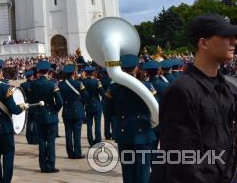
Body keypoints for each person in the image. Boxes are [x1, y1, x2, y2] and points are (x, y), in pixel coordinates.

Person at [151, 14, 237, 183]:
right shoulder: (182, 91)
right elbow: (183, 163)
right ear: (203, 42)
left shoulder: (228, 88)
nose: (234, 42)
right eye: (226, 36)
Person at [103, 54, 157, 183]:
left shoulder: (113, 88)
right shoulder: (147, 86)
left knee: (128, 173)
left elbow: (108, 111)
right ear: (136, 68)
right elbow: (156, 109)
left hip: (124, 133)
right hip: (142, 133)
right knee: (143, 172)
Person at [31, 60, 63, 173]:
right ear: (49, 71)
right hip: (50, 116)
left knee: (41, 141)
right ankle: (50, 165)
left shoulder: (33, 84)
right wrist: (54, 110)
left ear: (39, 71)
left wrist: (36, 111)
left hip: (39, 116)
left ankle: (42, 166)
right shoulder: (52, 84)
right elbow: (59, 102)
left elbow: (31, 101)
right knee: (50, 142)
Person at [58, 63, 87, 159]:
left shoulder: (61, 85)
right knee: (77, 134)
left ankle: (70, 152)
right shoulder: (79, 83)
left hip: (66, 111)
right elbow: (85, 96)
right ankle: (77, 153)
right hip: (77, 111)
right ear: (74, 73)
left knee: (68, 133)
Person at [82, 65, 104, 147]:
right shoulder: (96, 82)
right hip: (97, 105)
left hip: (88, 105)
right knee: (97, 124)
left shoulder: (83, 82)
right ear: (93, 73)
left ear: (86, 73)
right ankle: (98, 141)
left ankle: (90, 142)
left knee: (89, 125)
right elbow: (102, 93)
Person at [20, 70, 37, 145]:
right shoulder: (35, 84)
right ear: (32, 76)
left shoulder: (23, 85)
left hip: (27, 104)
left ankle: (29, 138)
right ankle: (35, 138)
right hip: (35, 104)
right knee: (35, 122)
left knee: (29, 122)